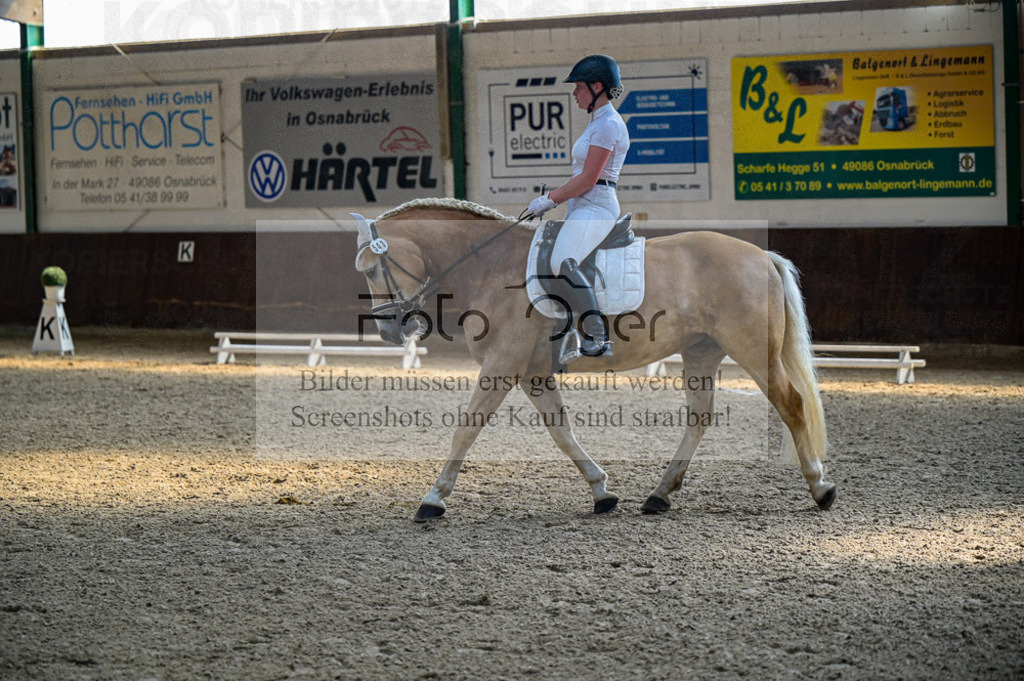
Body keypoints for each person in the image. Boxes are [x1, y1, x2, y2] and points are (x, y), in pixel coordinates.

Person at [527, 54, 629, 359]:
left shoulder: (608, 124)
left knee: (562, 261)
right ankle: (566, 329)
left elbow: (587, 179)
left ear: (597, 86)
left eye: (579, 86)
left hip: (597, 206)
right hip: (582, 207)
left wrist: (550, 199)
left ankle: (597, 336)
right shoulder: (597, 122)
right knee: (550, 257)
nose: (574, 92)